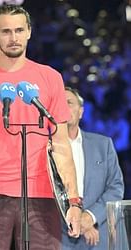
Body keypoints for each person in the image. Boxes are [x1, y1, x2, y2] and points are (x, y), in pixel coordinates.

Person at [0, 5, 82, 249]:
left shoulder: (50, 78)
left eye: (20, 30)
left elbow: (62, 146)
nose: (14, 38)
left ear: (29, 32)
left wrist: (73, 203)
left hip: (42, 196)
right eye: (6, 31)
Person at [61, 87, 124, 249]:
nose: (64, 106)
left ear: (81, 112)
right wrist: (75, 219)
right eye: (59, 103)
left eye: (69, 102)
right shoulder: (44, 148)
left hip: (97, 237)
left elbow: (115, 187)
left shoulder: (103, 145)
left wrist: (90, 216)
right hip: (58, 237)